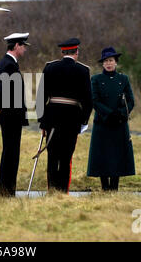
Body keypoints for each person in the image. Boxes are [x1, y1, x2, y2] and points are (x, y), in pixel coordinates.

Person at [36, 38, 93, 194]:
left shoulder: (50, 67)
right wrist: (83, 121)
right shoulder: (83, 70)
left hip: (52, 119)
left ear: (62, 52)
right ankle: (63, 192)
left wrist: (42, 121)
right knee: (66, 158)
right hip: (71, 120)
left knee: (52, 157)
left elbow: (41, 97)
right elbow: (88, 101)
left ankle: (52, 191)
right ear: (77, 52)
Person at [87, 47, 135, 191]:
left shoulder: (123, 79)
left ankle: (114, 187)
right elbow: (94, 100)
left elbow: (131, 100)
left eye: (111, 61)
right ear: (102, 63)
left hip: (119, 122)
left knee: (117, 154)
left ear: (116, 62)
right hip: (103, 122)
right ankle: (104, 187)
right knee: (103, 154)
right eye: (106, 61)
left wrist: (121, 114)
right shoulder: (96, 79)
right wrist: (109, 114)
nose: (109, 63)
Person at [0, 32, 30, 197]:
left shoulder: (8, 63)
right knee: (11, 155)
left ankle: (7, 191)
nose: (25, 49)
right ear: (17, 46)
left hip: (9, 116)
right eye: (24, 46)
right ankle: (7, 192)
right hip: (11, 117)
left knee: (10, 154)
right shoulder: (8, 65)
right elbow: (2, 92)